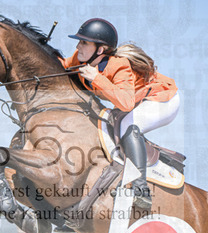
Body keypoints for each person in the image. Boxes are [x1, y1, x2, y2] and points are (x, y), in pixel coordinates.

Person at [60, 18, 180, 209]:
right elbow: (59, 64)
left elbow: (125, 103)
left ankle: (140, 190)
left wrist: (97, 78)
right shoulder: (79, 58)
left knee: (128, 126)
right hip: (138, 100)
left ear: (100, 50)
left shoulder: (119, 66)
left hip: (163, 100)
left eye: (83, 42)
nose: (77, 46)